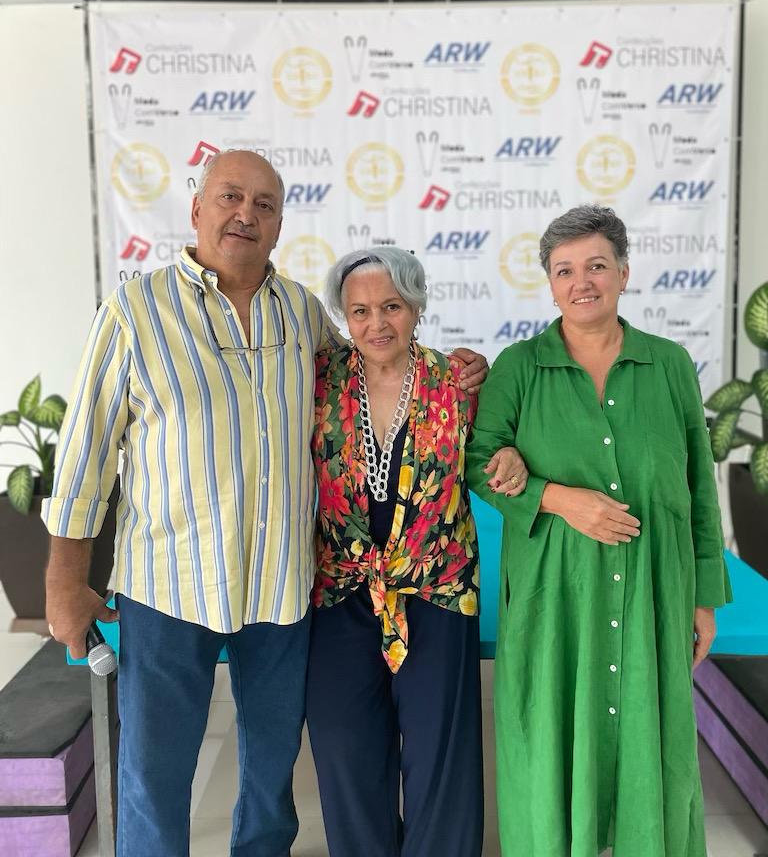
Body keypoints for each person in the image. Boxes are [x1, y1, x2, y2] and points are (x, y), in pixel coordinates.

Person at [43, 151, 488, 857]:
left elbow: (376, 368)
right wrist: (65, 584)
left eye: (264, 204)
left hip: (281, 592)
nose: (245, 215)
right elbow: (84, 454)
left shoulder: (302, 313)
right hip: (169, 586)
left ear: (279, 225)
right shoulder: (135, 311)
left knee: (269, 784)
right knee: (154, 777)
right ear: (197, 208)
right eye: (230, 197)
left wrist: (461, 373)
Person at [466, 205, 732, 857]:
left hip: (653, 589)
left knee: (653, 740)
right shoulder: (519, 367)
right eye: (564, 270)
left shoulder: (669, 364)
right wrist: (557, 499)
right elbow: (477, 461)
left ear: (623, 273)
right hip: (557, 593)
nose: (581, 281)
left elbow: (698, 486)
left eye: (595, 265)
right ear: (549, 283)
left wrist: (703, 597)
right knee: (554, 739)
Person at [305, 247, 526, 857]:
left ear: (417, 308)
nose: (377, 323)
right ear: (344, 317)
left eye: (392, 307)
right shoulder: (317, 379)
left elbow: (501, 445)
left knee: (438, 755)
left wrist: (511, 454)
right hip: (341, 589)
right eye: (360, 311)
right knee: (345, 749)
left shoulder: (457, 382)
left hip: (436, 589)